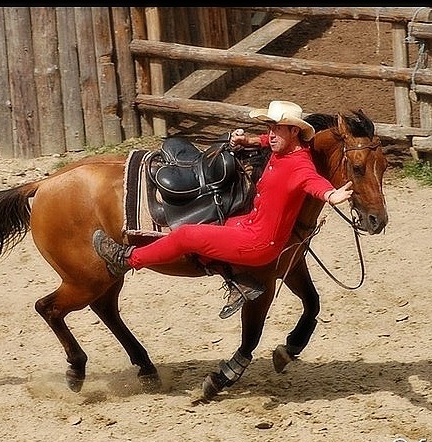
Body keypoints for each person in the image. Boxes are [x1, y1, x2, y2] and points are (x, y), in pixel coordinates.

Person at [93, 100, 353, 318]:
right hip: (250, 225)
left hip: (259, 242)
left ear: (295, 131)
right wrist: (250, 139)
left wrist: (332, 194)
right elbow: (265, 141)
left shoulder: (300, 166)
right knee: (211, 229)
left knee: (186, 235)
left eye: (278, 129)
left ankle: (126, 260)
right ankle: (238, 281)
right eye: (270, 127)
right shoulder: (282, 149)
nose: (271, 134)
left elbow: (314, 182)